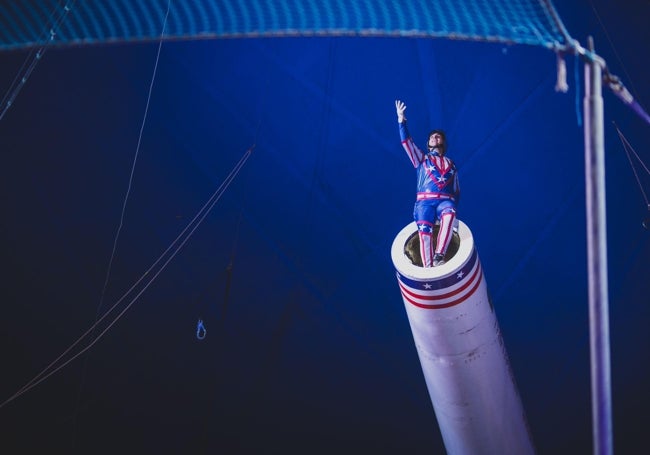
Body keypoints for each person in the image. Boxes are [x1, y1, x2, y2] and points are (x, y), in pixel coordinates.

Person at [395, 99, 460, 267]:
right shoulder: (422, 159)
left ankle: (439, 255)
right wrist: (402, 121)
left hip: (445, 200)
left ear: (442, 142)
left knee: (450, 213)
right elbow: (407, 143)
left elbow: (456, 190)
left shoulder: (451, 164)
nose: (434, 138)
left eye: (437, 136)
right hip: (425, 201)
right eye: (432, 137)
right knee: (424, 233)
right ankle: (428, 267)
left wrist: (454, 204)